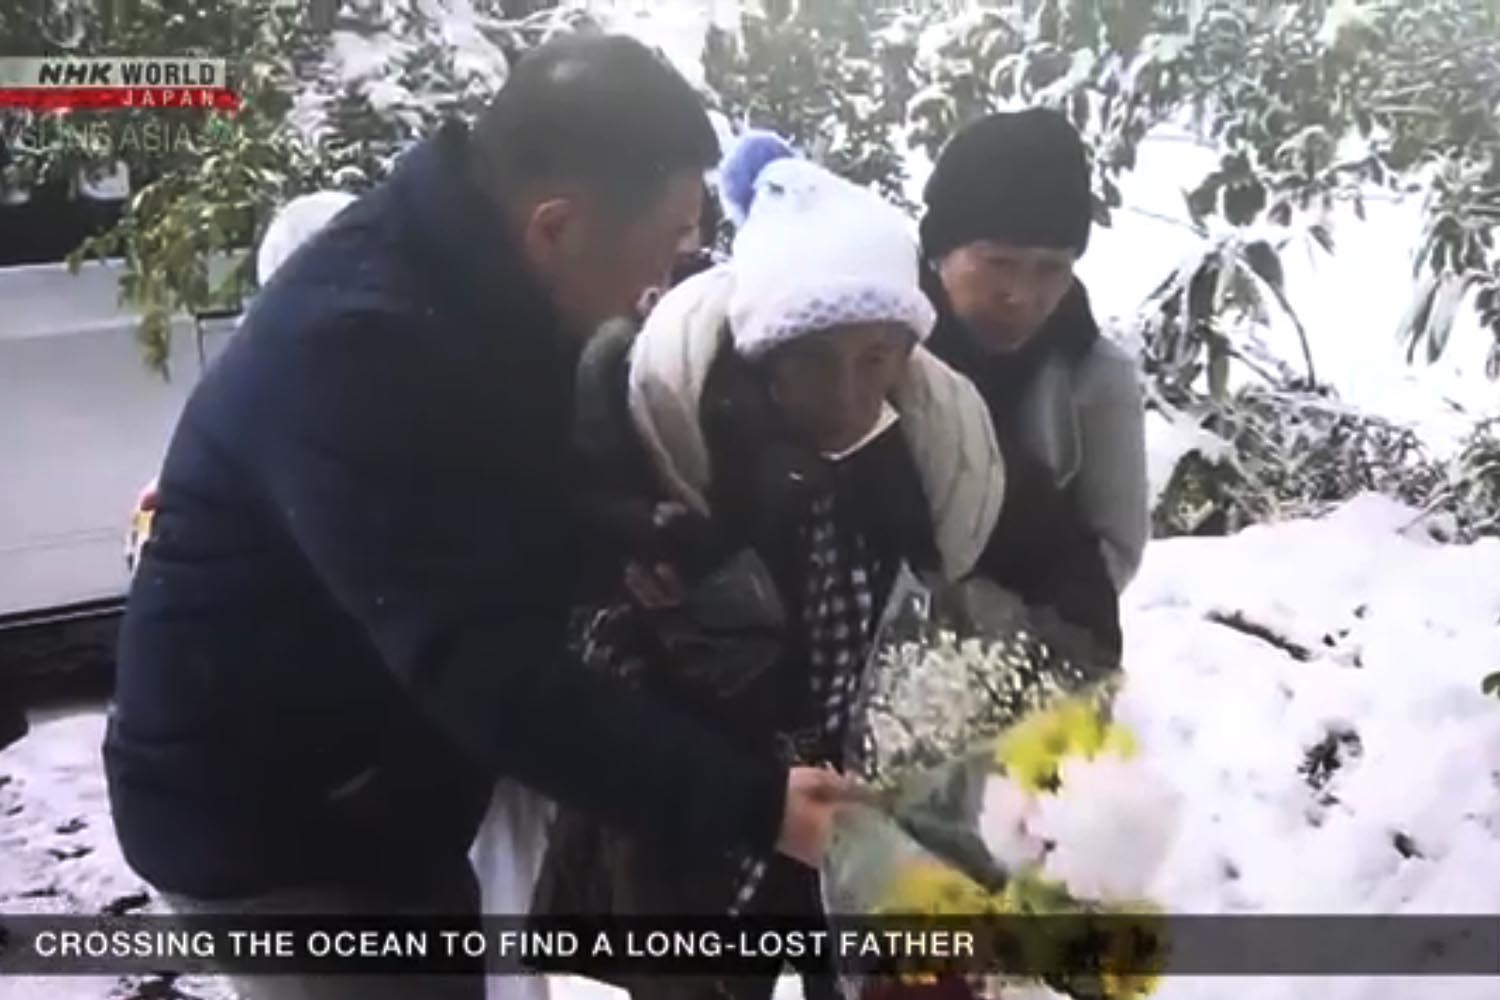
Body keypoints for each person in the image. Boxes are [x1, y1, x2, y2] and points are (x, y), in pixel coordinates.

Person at [103, 35, 845, 1000]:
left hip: (382, 784)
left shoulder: (477, 279)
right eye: (665, 243)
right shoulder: (359, 344)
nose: (663, 282)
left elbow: (474, 499)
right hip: (272, 826)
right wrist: (759, 806)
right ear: (557, 225)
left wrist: (607, 539)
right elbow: (483, 667)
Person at [530, 135, 1009, 1000]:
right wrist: (664, 629)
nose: (847, 395)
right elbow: (568, 643)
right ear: (760, 353)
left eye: (874, 359)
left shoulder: (933, 465)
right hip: (700, 839)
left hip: (866, 817)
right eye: (813, 360)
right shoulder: (654, 442)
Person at [920, 108, 1149, 650]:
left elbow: (1114, 549)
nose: (1021, 295)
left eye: (1051, 268)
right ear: (940, 253)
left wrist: (999, 629)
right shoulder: (877, 351)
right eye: (997, 263)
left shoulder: (1095, 377)